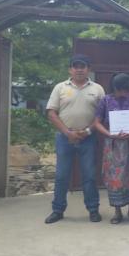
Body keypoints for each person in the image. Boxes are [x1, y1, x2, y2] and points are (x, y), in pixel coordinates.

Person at [44, 54, 105, 224]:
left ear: (88, 69)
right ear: (70, 69)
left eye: (82, 66)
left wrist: (87, 131)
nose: (79, 69)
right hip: (65, 138)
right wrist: (67, 132)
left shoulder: (98, 89)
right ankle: (57, 210)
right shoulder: (60, 88)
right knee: (62, 176)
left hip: (88, 138)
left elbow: (102, 115)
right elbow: (51, 113)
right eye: (75, 66)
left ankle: (93, 210)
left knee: (90, 176)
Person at [92, 73, 129, 224]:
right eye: (120, 90)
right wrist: (110, 134)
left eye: (125, 90)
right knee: (115, 177)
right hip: (115, 145)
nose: (123, 93)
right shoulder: (106, 100)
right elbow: (97, 122)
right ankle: (117, 212)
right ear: (114, 88)